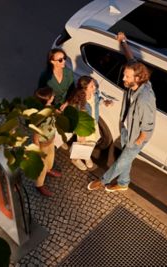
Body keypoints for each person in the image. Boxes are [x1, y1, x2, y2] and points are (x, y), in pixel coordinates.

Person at [87, 32, 156, 192]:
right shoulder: (135, 77)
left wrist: (137, 142)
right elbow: (130, 58)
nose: (123, 79)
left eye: (126, 77)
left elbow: (147, 128)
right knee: (125, 160)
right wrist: (123, 41)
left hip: (137, 136)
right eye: (124, 75)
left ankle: (103, 181)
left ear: (137, 79)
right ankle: (123, 183)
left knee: (122, 160)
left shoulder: (145, 100)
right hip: (127, 129)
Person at [67, 76, 113, 171]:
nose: (94, 87)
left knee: (91, 142)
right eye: (92, 86)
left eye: (94, 85)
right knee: (81, 144)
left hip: (93, 123)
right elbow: (78, 120)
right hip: (83, 127)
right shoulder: (79, 102)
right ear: (85, 89)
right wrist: (81, 134)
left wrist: (105, 102)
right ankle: (75, 159)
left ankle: (86, 156)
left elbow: (98, 100)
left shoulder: (94, 94)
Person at [33, 87, 62, 197]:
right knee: (42, 165)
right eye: (52, 96)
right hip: (42, 143)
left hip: (51, 138)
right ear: (48, 99)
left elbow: (55, 113)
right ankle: (39, 185)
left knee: (51, 156)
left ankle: (49, 170)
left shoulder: (50, 107)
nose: (54, 96)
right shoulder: (40, 116)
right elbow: (35, 135)